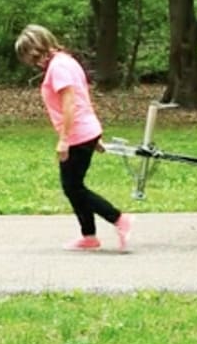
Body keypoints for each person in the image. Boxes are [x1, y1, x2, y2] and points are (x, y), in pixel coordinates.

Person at [15, 24, 132, 251]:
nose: (30, 62)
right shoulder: (67, 61)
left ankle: (118, 219)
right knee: (74, 186)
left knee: (73, 187)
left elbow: (70, 102)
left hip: (77, 134)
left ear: (37, 47)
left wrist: (64, 139)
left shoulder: (57, 67)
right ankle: (89, 236)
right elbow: (82, 97)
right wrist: (94, 134)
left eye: (29, 55)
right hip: (86, 131)